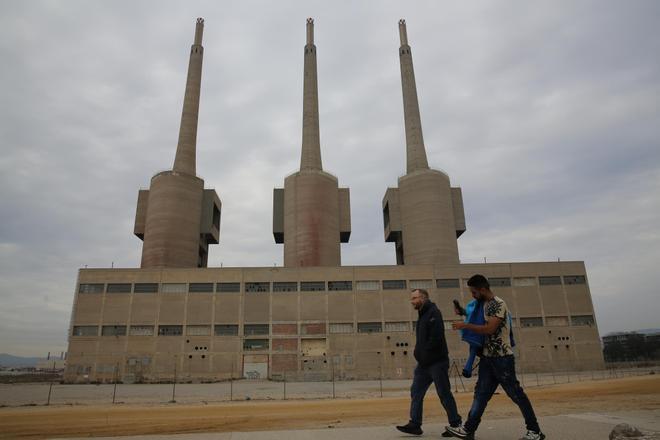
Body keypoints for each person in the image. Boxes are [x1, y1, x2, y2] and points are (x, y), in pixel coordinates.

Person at [446, 274, 545, 440]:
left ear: (483, 289)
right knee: (481, 394)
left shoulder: (497, 304)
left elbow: (490, 329)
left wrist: (465, 325)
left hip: (502, 358)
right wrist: (463, 314)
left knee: (516, 394)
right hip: (488, 358)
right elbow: (474, 318)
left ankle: (535, 431)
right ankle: (468, 429)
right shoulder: (482, 305)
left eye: (474, 292)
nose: (473, 295)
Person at [396, 288, 464, 436]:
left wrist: (424, 354)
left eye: (414, 298)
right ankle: (415, 424)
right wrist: (418, 353)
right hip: (424, 364)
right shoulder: (422, 315)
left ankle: (456, 424)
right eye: (411, 299)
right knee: (416, 391)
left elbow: (436, 338)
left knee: (444, 393)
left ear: (424, 298)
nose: (412, 301)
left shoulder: (434, 313)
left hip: (437, 362)